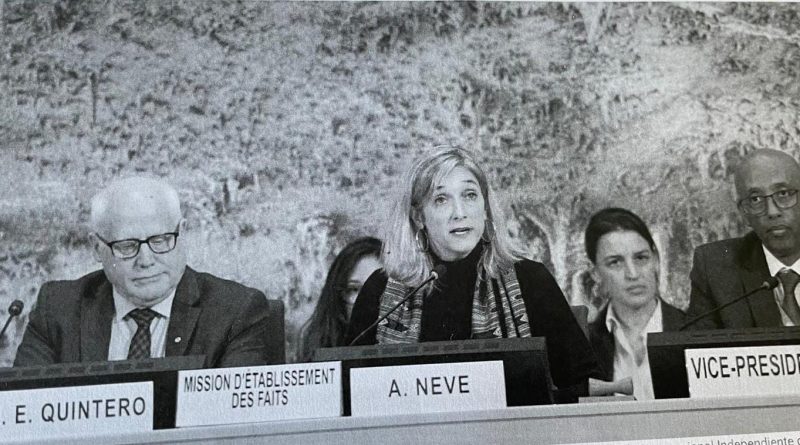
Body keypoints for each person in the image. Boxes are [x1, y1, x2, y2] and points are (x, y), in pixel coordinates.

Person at [345, 146, 600, 401]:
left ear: (485, 207)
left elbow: (585, 389)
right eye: (441, 199)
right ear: (418, 216)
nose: (460, 213)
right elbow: (350, 393)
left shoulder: (530, 281)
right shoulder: (380, 291)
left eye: (469, 195)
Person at [14, 176, 282, 368]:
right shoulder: (58, 309)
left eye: (160, 241)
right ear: (97, 248)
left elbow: (230, 421)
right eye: (127, 246)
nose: (146, 260)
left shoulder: (234, 312)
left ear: (182, 233)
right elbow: (25, 409)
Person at [687, 149, 800, 328]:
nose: (772, 211)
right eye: (755, 199)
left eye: (783, 193)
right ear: (744, 213)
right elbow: (697, 342)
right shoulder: (715, 268)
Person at [585, 208, 686, 400]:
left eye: (641, 258)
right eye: (615, 262)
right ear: (596, 273)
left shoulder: (691, 330)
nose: (632, 274)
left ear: (656, 260)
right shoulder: (585, 346)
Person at [298, 236, 382, 362]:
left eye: (377, 287)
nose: (365, 299)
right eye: (354, 289)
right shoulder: (317, 360)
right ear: (337, 297)